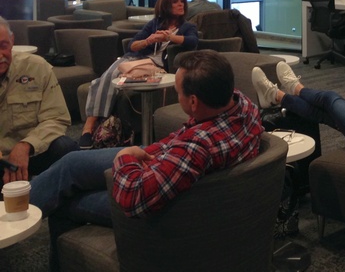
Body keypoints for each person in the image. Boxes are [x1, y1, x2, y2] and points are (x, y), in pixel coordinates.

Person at [30, 49, 263, 271]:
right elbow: (182, 142)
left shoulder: (196, 146)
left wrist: (125, 158)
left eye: (178, 91)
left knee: (63, 198)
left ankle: (14, 222)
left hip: (168, 210)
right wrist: (148, 151)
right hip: (172, 165)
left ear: (193, 102)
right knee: (72, 163)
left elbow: (135, 198)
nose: (176, 94)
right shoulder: (244, 106)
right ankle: (15, 210)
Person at [78, 0, 199, 148]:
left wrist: (168, 37)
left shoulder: (187, 26)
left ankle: (89, 128)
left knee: (109, 76)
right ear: (166, 6)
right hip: (135, 59)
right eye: (175, 2)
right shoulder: (155, 24)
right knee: (109, 76)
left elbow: (192, 41)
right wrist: (149, 40)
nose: (180, 4)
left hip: (155, 65)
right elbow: (132, 45)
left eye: (182, 1)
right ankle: (89, 128)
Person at [0, 17, 77, 187]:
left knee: (65, 148)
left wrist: (26, 145)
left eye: (3, 46)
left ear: (12, 42)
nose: (0, 56)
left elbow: (57, 118)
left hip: (31, 151)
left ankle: (59, 208)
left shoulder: (36, 68)